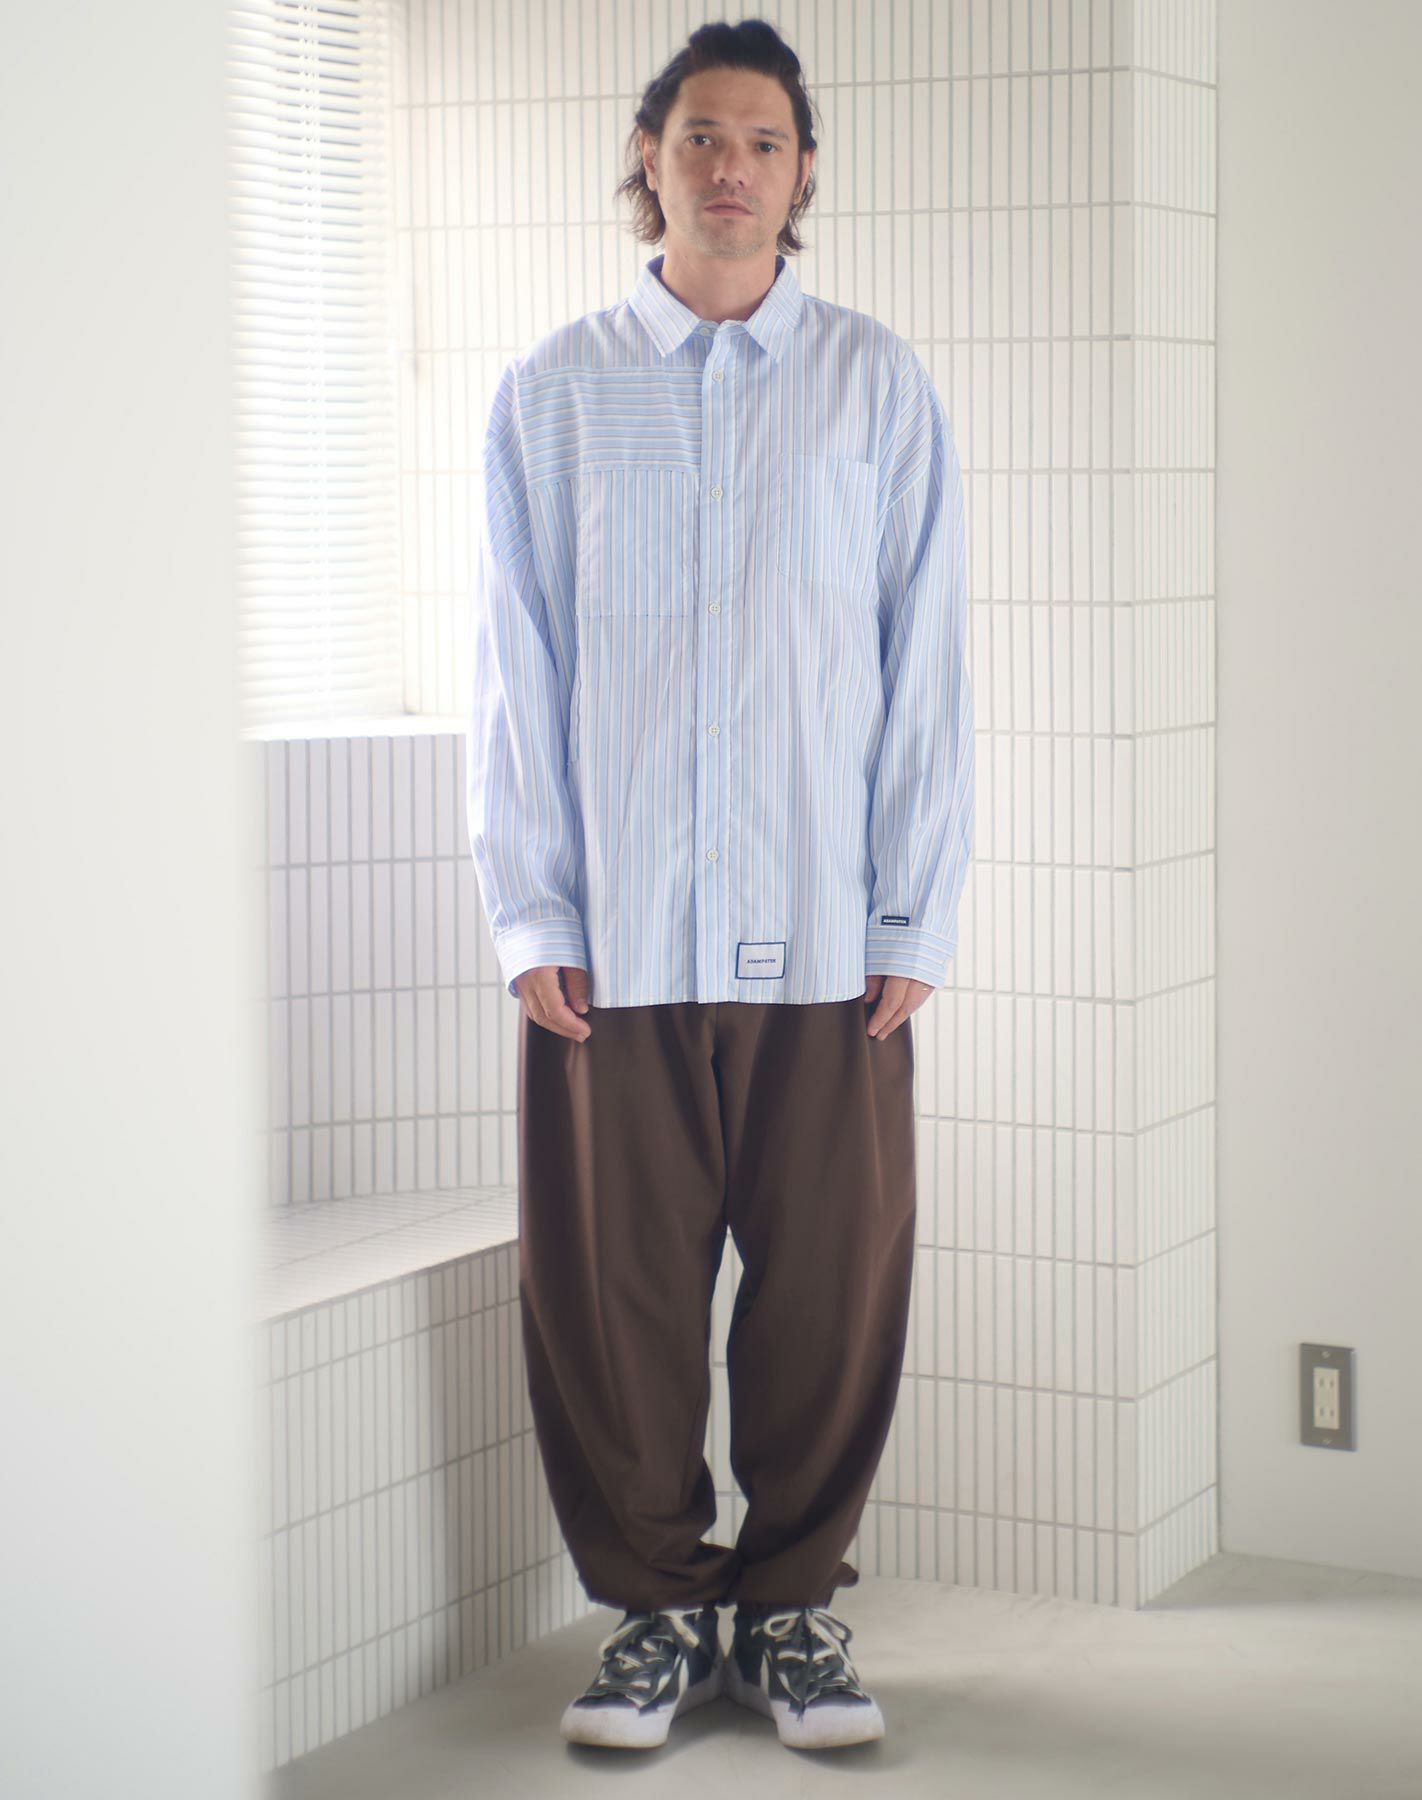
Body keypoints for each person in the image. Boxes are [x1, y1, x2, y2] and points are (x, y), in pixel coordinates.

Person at [466, 17, 973, 1755]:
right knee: (612, 1301)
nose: (731, 166)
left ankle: (792, 1616)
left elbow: (924, 668)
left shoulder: (874, 386)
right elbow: (513, 671)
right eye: (700, 136)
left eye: (762, 139)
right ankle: (658, 1619)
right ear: (650, 156)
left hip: (827, 939)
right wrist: (532, 912)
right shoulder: (554, 393)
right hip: (612, 946)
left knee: (831, 1294)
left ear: (804, 169)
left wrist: (912, 915)